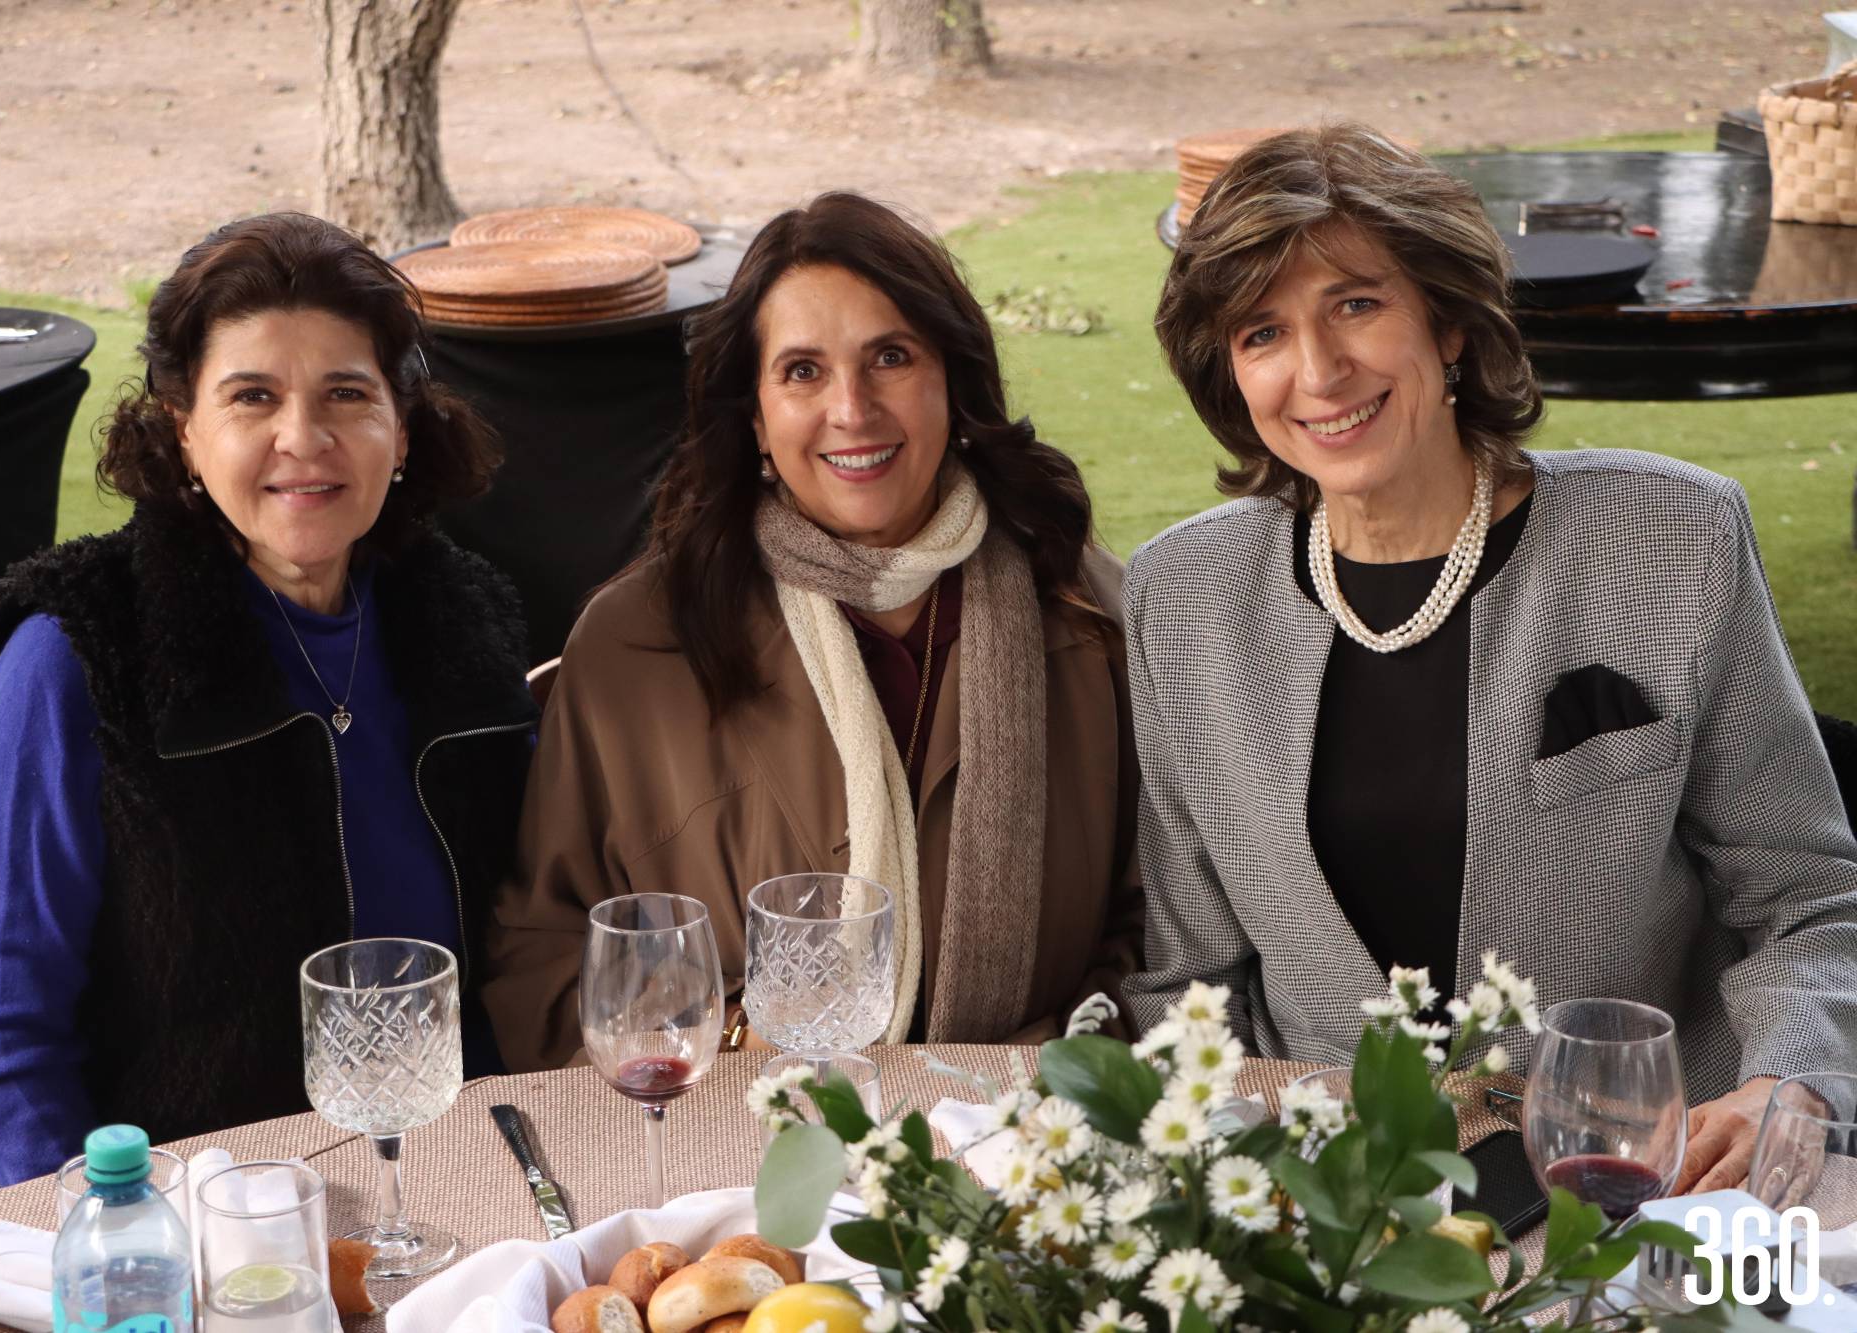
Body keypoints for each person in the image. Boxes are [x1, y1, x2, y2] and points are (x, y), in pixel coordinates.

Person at [1125, 123, 1857, 1194]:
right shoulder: (1179, 598)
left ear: (1450, 325)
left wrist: (1789, 1083)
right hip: (1331, 1204)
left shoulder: (1671, 537)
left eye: (1356, 305)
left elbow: (1805, 901)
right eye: (1259, 333)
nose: (1318, 371)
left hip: (1647, 1186)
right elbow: (1187, 974)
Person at [0, 213, 536, 1186]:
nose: (304, 437)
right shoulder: (79, 653)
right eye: (253, 396)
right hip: (166, 1205)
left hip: (439, 1177)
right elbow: (1, 1039)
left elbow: (519, 949)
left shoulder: (462, 622)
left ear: (400, 429)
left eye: (347, 393)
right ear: (183, 432)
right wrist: (121, 1245)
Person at [483, 191, 1142, 1070]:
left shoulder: (1092, 614)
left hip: (1027, 1148)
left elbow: (1168, 922)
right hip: (731, 1160)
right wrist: (730, 1043)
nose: (852, 408)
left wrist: (1056, 1069)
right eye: (802, 371)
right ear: (754, 416)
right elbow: (543, 964)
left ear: (954, 381)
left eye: (891, 357)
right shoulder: (637, 645)